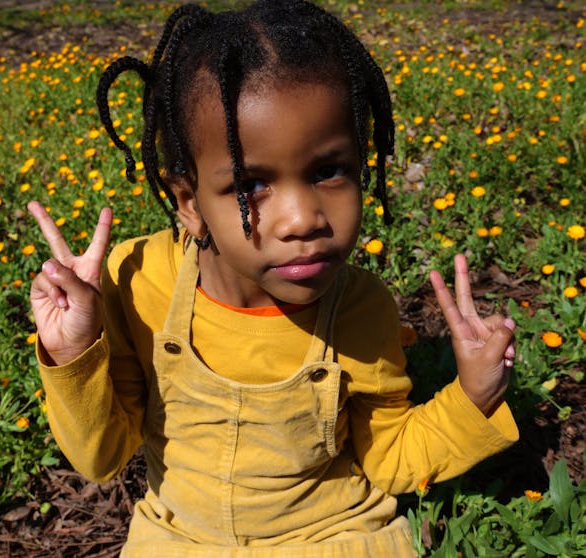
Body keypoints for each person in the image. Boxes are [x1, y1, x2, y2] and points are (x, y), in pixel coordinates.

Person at [28, 1, 519, 555]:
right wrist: (72, 356)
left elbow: (390, 458)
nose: (303, 218)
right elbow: (102, 456)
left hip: (328, 536)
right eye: (250, 185)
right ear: (188, 202)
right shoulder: (142, 281)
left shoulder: (359, 308)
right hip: (181, 537)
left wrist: (473, 396)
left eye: (329, 171)